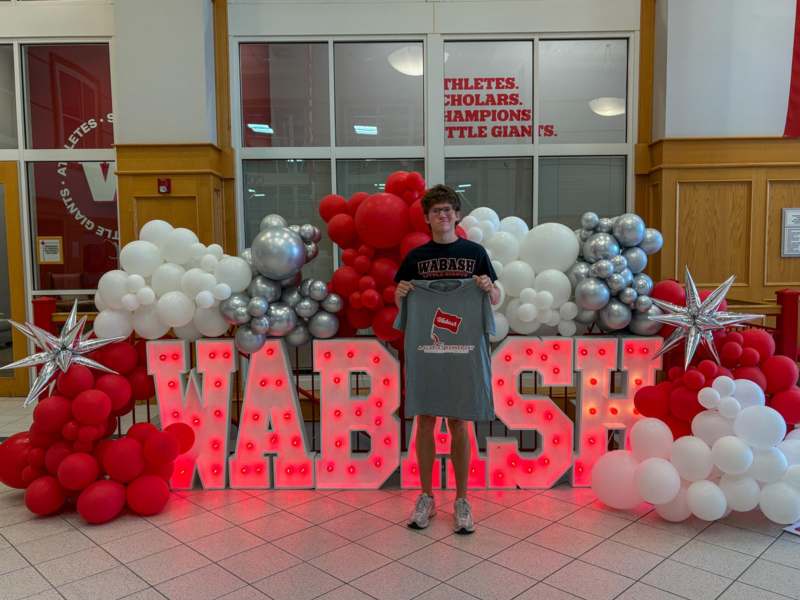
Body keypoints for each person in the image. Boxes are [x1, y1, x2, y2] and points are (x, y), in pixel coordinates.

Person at [394, 184, 500, 534]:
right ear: (427, 218)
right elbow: (401, 307)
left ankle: (462, 499)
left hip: (463, 354)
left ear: (457, 216)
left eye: (447, 210)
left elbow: (495, 299)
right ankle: (426, 496)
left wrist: (489, 289)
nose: (442, 215)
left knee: (458, 422)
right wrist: (401, 294)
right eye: (436, 210)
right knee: (424, 420)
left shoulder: (475, 253)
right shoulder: (415, 258)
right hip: (427, 354)